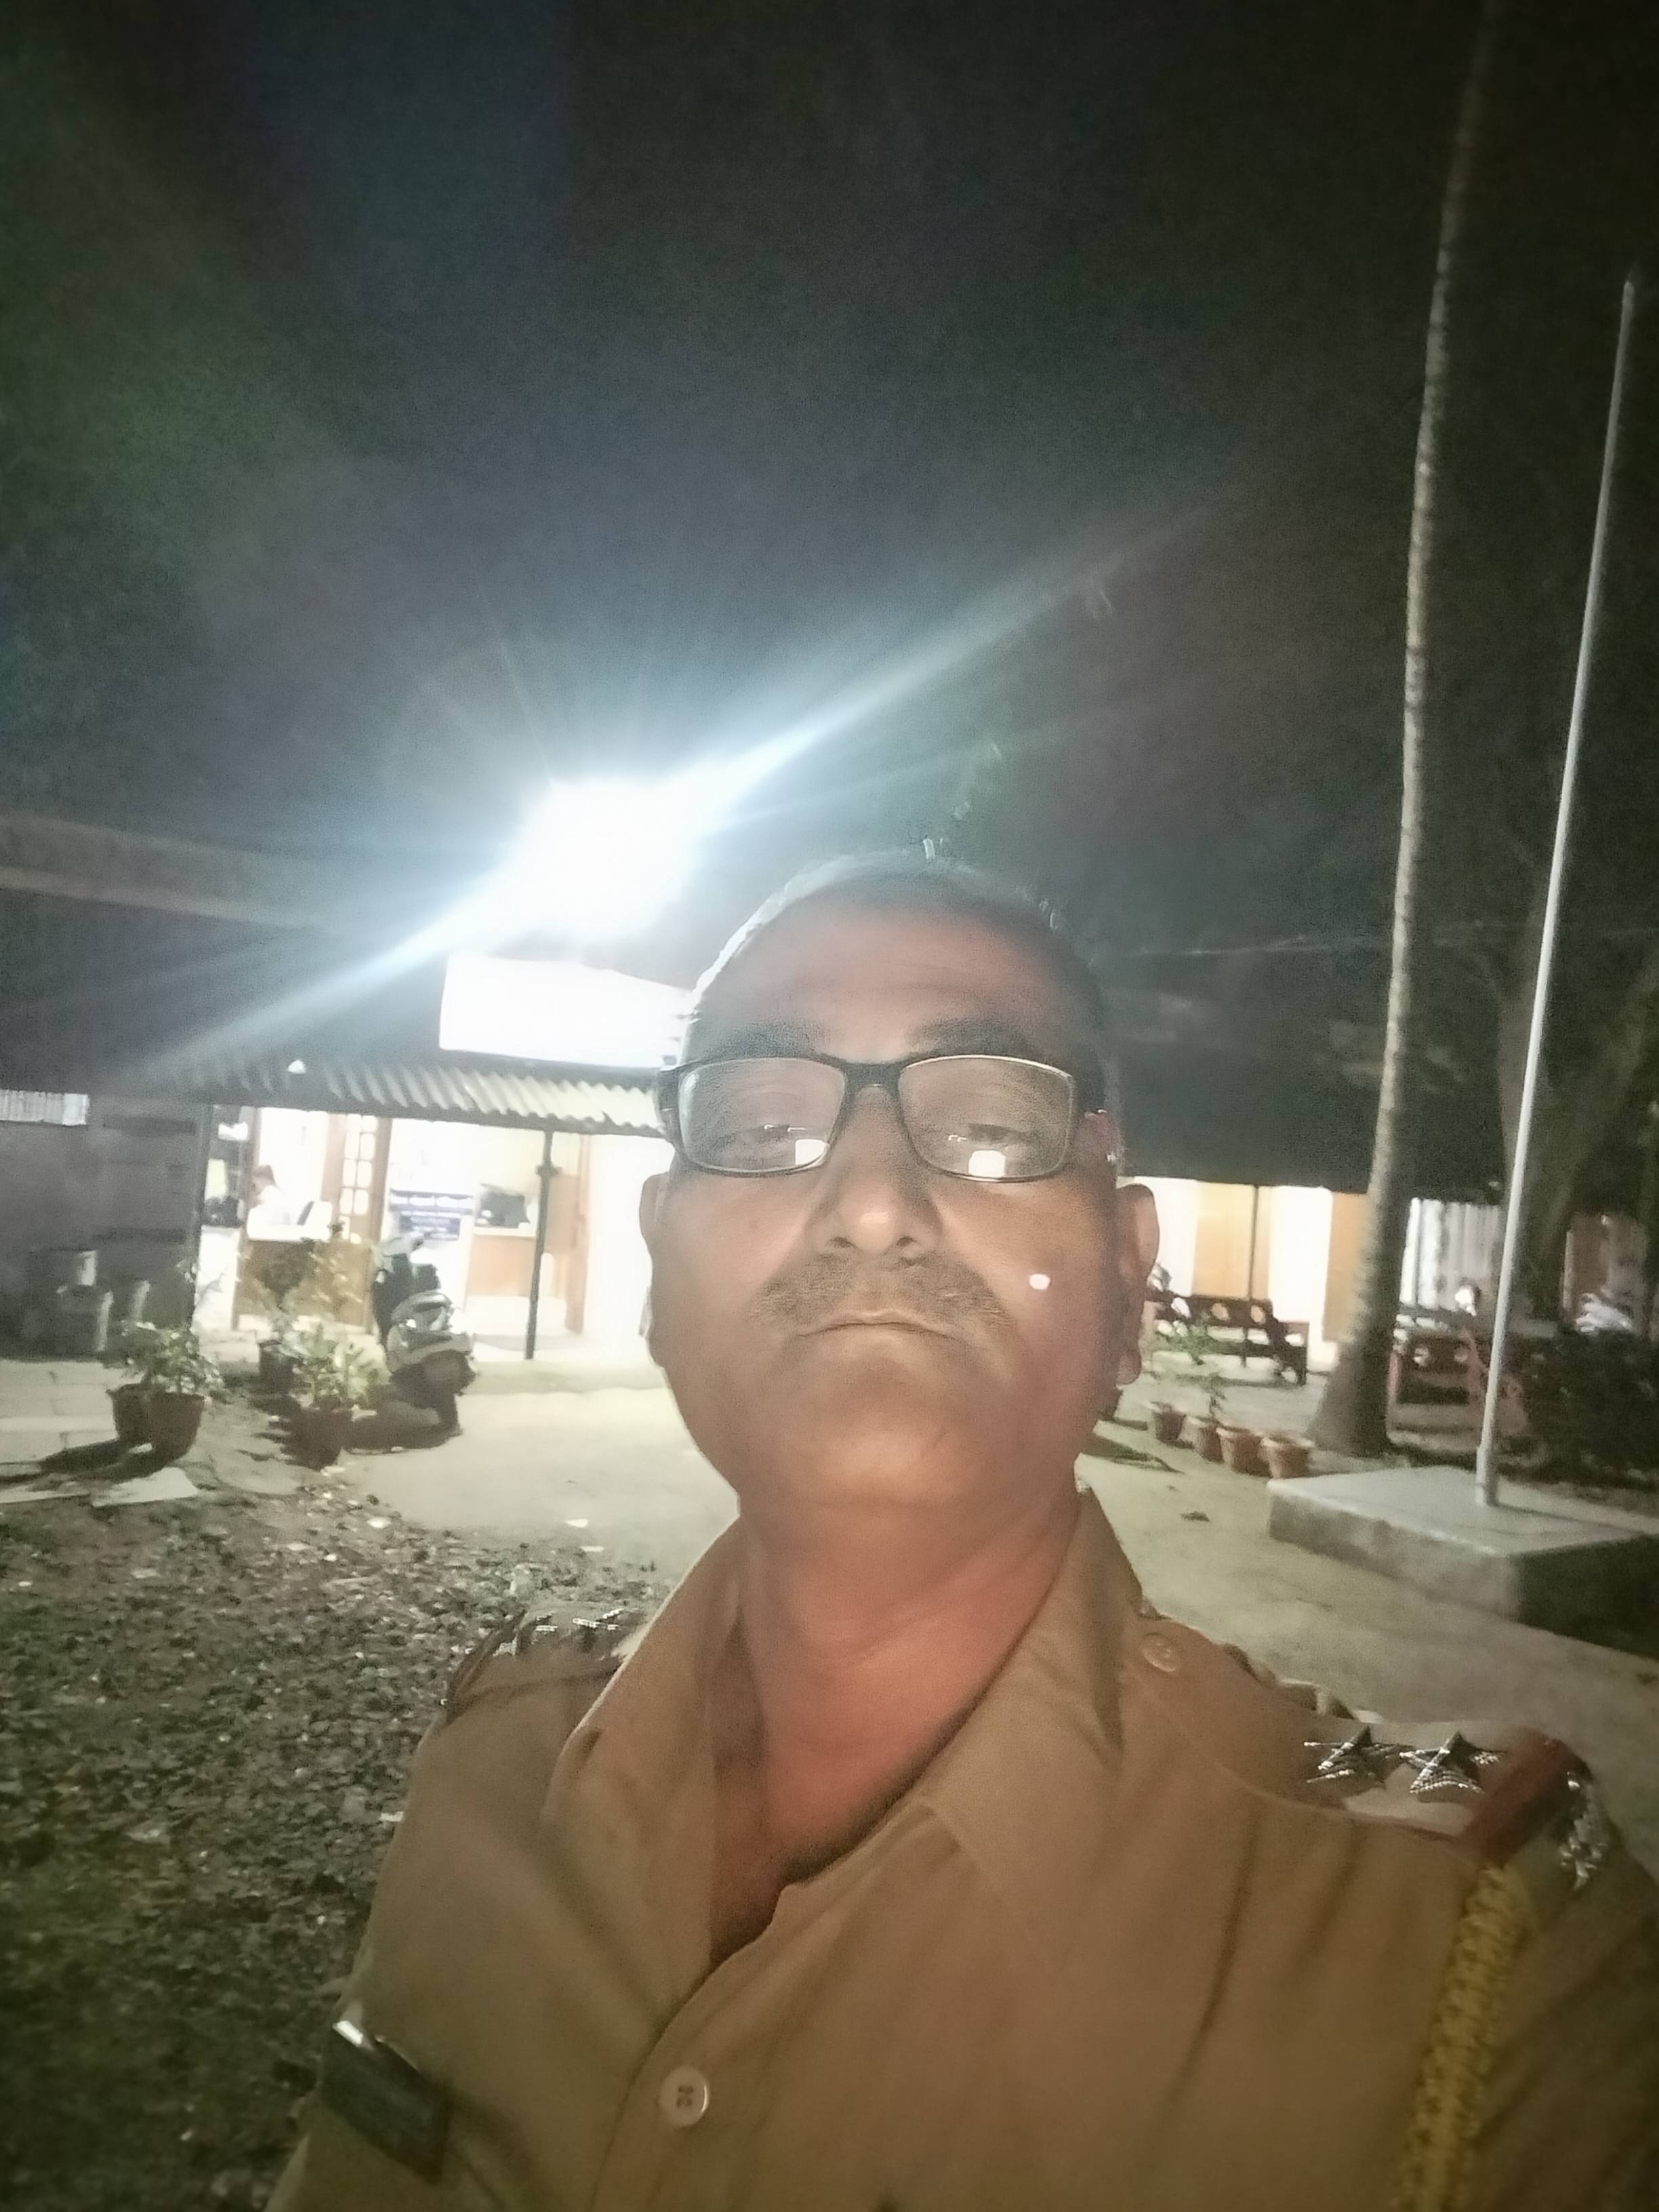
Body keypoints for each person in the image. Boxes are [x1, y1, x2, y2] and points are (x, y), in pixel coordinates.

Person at [272, 855, 1659, 2212]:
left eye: (995, 1125)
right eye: (758, 1128)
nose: (872, 1204)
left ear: (1129, 1286)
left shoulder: (1468, 1972)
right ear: (657, 1271)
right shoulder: (488, 1776)